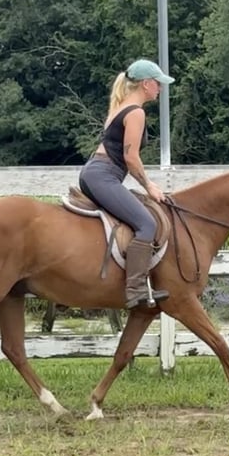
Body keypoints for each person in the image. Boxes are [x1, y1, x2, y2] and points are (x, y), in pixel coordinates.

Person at [79, 59, 174, 309]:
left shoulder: (120, 106)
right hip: (103, 175)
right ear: (146, 84)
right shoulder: (135, 113)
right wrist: (150, 186)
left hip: (95, 172)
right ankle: (136, 289)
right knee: (146, 223)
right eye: (158, 84)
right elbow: (131, 158)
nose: (160, 89)